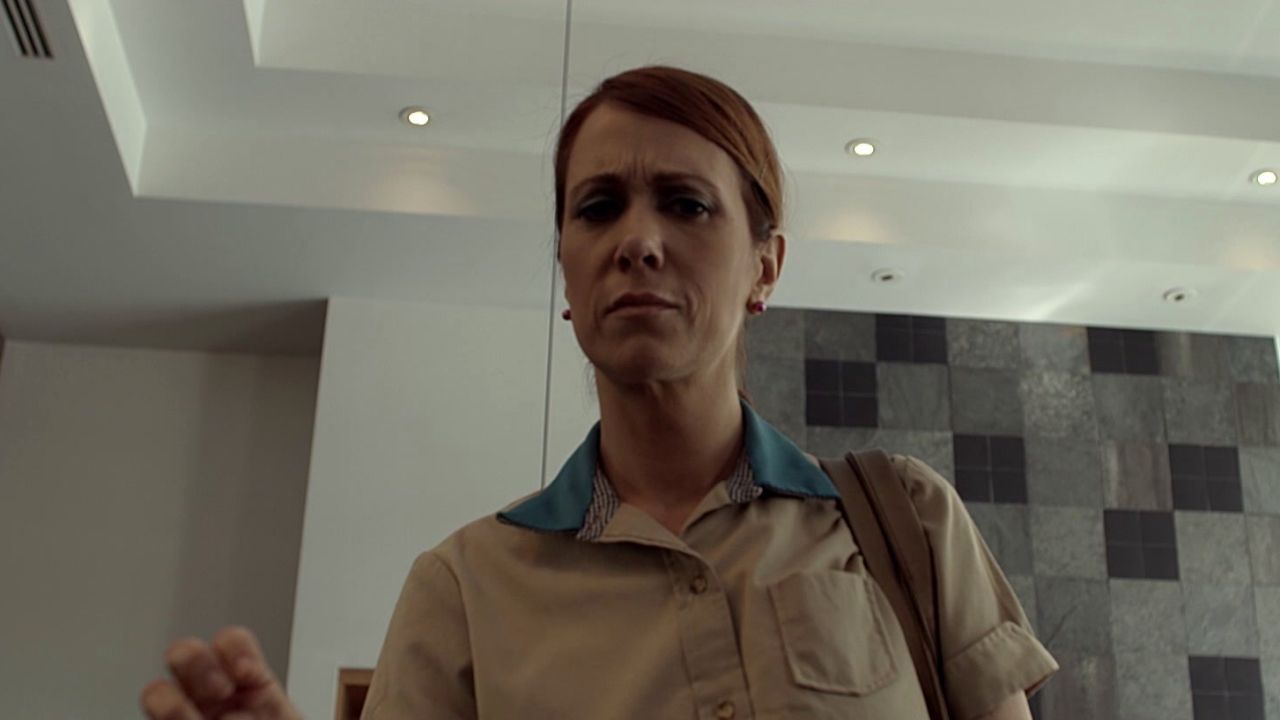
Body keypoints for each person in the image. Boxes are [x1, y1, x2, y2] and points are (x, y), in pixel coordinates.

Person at [141, 65, 1058, 720]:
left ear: (765, 266)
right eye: (598, 208)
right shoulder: (465, 587)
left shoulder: (902, 520)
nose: (637, 242)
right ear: (567, 275)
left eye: (686, 204)